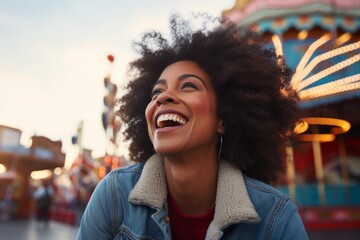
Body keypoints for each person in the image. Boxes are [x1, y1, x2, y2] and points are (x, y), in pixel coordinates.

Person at [77, 13, 308, 239]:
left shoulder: (275, 218)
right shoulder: (113, 195)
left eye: (188, 86)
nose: (163, 97)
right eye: (156, 91)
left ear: (223, 118)